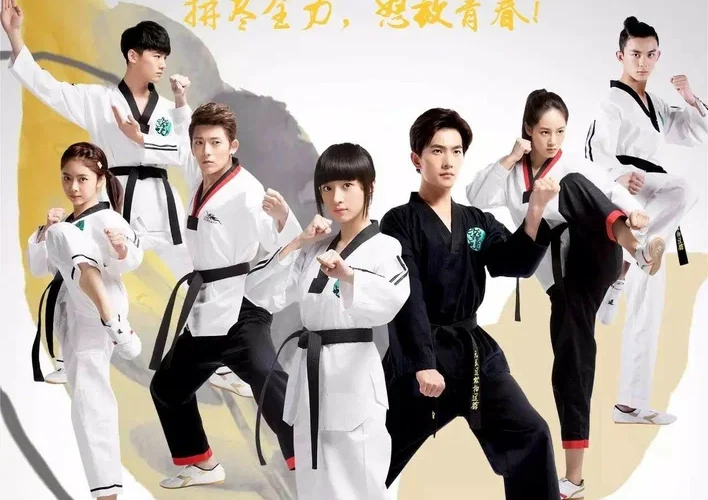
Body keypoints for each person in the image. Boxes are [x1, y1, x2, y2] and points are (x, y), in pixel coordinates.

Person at [1, 0, 253, 392]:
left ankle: (220, 362)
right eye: (156, 55)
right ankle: (68, 356)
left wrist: (158, 127)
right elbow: (48, 88)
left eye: (165, 56)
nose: (162, 63)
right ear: (133, 56)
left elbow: (185, 151)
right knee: (78, 272)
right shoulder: (99, 101)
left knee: (202, 278)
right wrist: (15, 36)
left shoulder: (169, 109)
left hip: (162, 203)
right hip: (116, 202)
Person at [467, 89, 665, 499]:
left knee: (572, 184)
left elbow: (608, 189)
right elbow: (476, 196)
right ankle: (574, 480)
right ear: (528, 130)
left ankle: (638, 254)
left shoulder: (571, 163)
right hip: (565, 283)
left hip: (599, 252)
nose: (553, 140)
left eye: (560, 131)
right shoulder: (512, 176)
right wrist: (509, 157)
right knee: (571, 365)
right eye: (544, 132)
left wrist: (633, 210)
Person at [381, 108, 561, 500]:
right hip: (421, 356)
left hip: (475, 355)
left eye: (456, 151)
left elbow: (511, 262)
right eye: (437, 151)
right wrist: (423, 363)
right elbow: (407, 295)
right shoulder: (398, 222)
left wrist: (535, 210)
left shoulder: (475, 222)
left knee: (531, 433)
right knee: (377, 453)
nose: (448, 161)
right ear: (416, 159)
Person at [133, 102, 302, 488]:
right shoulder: (200, 176)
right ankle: (202, 464)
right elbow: (180, 147)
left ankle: (311, 460)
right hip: (205, 307)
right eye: (199, 143)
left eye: (215, 143)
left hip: (240, 307)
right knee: (167, 388)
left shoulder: (247, 192)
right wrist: (180, 106)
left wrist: (280, 218)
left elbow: (276, 240)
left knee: (269, 382)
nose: (206, 151)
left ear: (233, 146)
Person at [246, 143, 410, 500]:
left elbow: (392, 300)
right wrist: (299, 240)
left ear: (369, 187)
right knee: (313, 480)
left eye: (347, 185)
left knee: (358, 480)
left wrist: (349, 276)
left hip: (352, 375)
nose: (337, 197)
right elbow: (261, 292)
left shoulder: (385, 248)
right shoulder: (316, 249)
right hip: (310, 373)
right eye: (327, 187)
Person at [586, 16, 708, 426]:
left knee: (649, 300)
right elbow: (594, 152)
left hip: (652, 208)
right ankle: (631, 257)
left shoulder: (655, 104)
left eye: (650, 54)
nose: (643, 62)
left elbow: (697, 132)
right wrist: (619, 175)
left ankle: (629, 405)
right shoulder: (611, 102)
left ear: (658, 56)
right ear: (620, 55)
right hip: (629, 197)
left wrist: (689, 97)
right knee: (684, 189)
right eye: (635, 54)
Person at [27, 142, 143, 500]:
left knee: (93, 406)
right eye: (67, 178)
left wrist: (121, 248)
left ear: (100, 180)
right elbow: (38, 268)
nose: (73, 187)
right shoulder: (65, 223)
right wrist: (45, 231)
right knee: (86, 406)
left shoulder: (108, 219)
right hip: (74, 315)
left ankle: (116, 323)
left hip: (101, 310)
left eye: (82, 179)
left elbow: (131, 259)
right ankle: (105, 493)